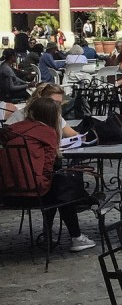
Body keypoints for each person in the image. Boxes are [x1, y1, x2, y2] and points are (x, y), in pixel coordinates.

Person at [0, 96, 95, 252]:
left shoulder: (11, 130)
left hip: (6, 192)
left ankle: (48, 234)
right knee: (64, 186)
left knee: (58, 185)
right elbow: (48, 168)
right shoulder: (46, 132)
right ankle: (76, 237)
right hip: (33, 193)